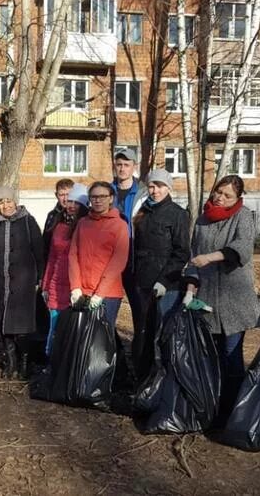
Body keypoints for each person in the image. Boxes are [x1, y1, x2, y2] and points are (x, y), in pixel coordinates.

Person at [182, 175, 260, 413]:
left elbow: (242, 249)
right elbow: (193, 257)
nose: (220, 198)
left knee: (231, 356)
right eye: (218, 192)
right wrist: (190, 290)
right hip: (207, 301)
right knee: (211, 357)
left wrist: (210, 257)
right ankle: (213, 407)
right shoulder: (202, 220)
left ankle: (234, 410)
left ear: (238, 198)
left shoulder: (243, 216)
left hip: (235, 302)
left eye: (228, 196)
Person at [132, 169, 190, 382]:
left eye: (160, 186)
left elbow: (182, 252)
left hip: (167, 286)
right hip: (143, 282)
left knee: (163, 333)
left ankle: (165, 380)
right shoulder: (144, 212)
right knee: (144, 332)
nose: (155, 190)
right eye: (152, 186)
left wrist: (164, 281)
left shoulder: (177, 214)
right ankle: (143, 380)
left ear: (168, 188)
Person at [0, 186, 45, 379]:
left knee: (22, 325)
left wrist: (40, 277)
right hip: (0, 281)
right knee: (3, 324)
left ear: (15, 201)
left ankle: (24, 362)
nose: (5, 206)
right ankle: (10, 360)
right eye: (1, 202)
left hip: (24, 281)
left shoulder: (28, 221)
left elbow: (39, 251)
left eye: (8, 201)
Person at [68, 181, 129, 329]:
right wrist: (75, 287)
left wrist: (100, 293)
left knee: (102, 337)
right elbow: (73, 255)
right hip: (82, 291)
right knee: (80, 335)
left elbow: (118, 261)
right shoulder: (83, 223)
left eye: (103, 196)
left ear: (111, 198)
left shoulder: (119, 225)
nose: (98, 200)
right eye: (94, 197)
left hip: (107, 293)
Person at [110, 149, 147, 376]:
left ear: (134, 166)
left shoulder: (144, 193)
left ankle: (140, 366)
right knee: (105, 315)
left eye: (127, 164)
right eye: (119, 164)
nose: (122, 168)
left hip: (135, 262)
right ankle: (117, 364)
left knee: (140, 316)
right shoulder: (107, 192)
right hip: (111, 264)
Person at [41, 183, 88, 354]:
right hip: (56, 282)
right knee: (54, 328)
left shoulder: (87, 226)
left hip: (77, 285)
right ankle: (52, 361)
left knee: (73, 330)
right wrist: (46, 284)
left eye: (76, 202)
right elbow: (52, 257)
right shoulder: (59, 226)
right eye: (69, 201)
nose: (71, 205)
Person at [42, 178, 75, 250]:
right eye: (62, 195)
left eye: (68, 194)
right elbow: (46, 241)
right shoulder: (52, 215)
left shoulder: (82, 214)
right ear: (56, 195)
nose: (65, 199)